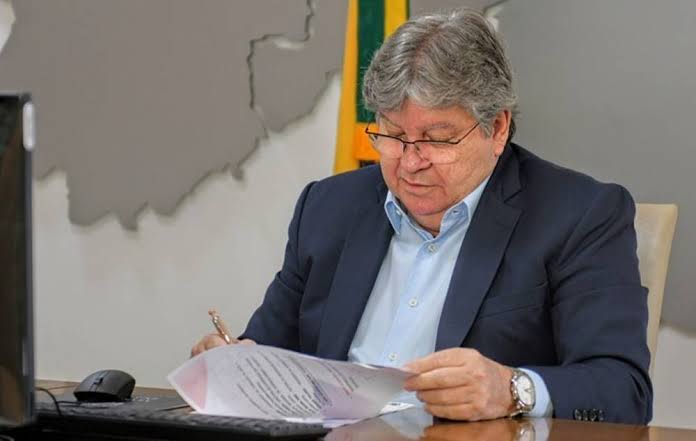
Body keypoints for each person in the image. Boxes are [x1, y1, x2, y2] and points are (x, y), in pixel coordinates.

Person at [192, 7, 651, 424]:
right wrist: (237, 364)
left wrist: (513, 389)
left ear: (497, 128)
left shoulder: (579, 215)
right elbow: (269, 350)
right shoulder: (328, 207)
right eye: (393, 135)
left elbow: (623, 389)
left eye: (437, 139)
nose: (411, 163)